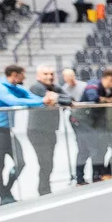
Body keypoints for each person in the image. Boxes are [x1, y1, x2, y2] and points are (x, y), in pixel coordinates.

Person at [0, 65, 56, 204]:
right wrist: (42, 101)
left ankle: (6, 190)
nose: (24, 78)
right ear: (14, 75)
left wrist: (46, 99)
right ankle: (3, 194)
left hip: (8, 132)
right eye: (22, 75)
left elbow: (31, 97)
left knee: (20, 163)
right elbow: (14, 101)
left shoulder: (15, 88)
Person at [27, 64, 71, 196]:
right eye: (45, 74)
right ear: (38, 76)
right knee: (45, 161)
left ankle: (45, 188)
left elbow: (68, 99)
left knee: (49, 161)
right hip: (37, 131)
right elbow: (51, 99)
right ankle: (43, 189)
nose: (49, 77)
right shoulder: (36, 87)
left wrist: (57, 98)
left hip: (51, 130)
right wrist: (57, 98)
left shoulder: (54, 88)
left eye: (51, 74)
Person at [76, 69, 112, 183]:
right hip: (83, 122)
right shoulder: (93, 85)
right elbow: (93, 98)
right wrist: (108, 100)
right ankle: (80, 178)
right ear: (110, 79)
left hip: (96, 123)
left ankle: (98, 175)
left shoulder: (109, 89)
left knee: (100, 149)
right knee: (86, 150)